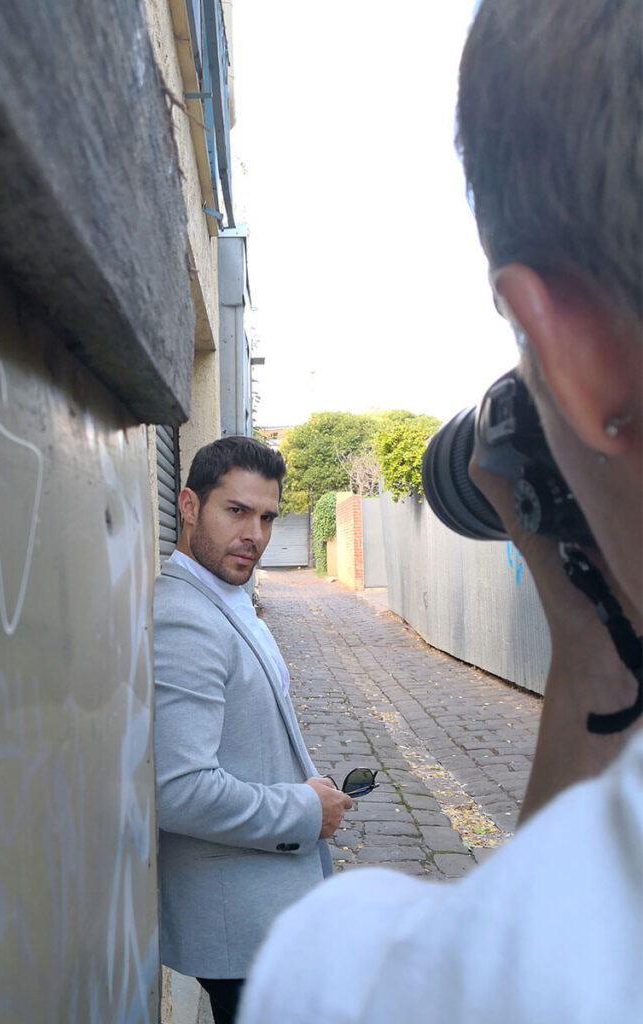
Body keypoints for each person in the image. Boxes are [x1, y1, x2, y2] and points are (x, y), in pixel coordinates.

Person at [238, 1, 643, 1021]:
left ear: (574, 353)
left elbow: (549, 933)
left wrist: (589, 643)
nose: (253, 534)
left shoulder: (353, 973)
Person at [152, 436, 353, 1024]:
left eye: (267, 517)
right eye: (235, 511)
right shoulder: (183, 617)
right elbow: (179, 791)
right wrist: (305, 810)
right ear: (188, 506)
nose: (255, 535)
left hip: (266, 914)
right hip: (241, 929)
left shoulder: (227, 598)